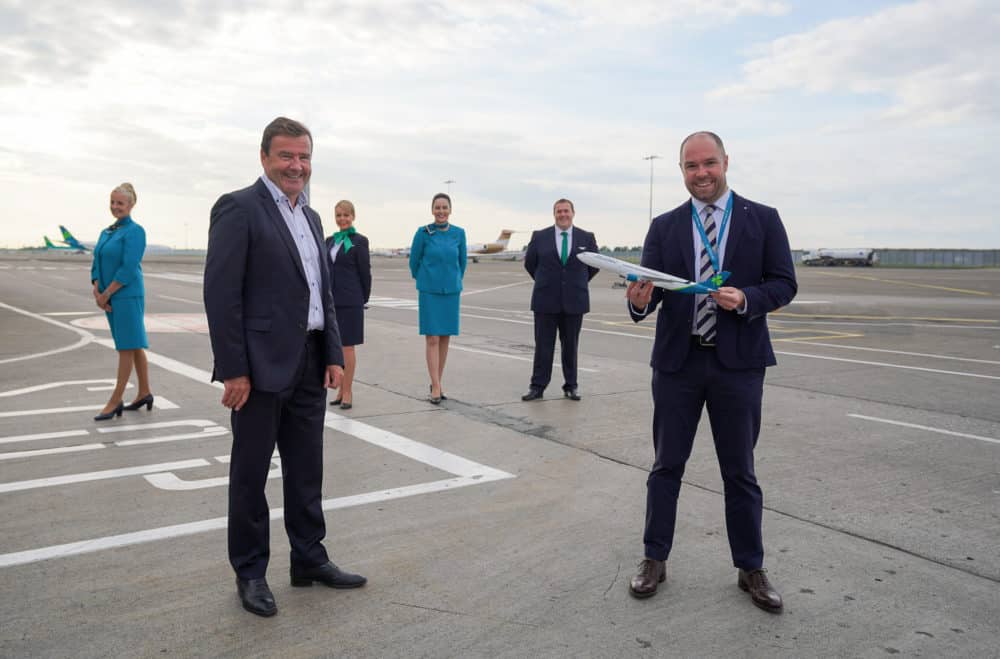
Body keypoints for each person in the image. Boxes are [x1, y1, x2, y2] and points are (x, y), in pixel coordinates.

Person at [625, 132, 797, 612]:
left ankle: (751, 567)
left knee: (740, 471)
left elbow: (784, 283)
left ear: (725, 162)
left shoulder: (763, 219)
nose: (700, 173)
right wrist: (638, 300)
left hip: (738, 365)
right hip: (678, 364)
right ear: (681, 170)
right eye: (691, 166)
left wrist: (746, 299)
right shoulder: (665, 225)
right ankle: (654, 559)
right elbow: (649, 293)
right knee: (666, 466)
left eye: (708, 164)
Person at [203, 117, 366, 618]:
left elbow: (323, 293)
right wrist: (234, 369)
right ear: (264, 157)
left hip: (310, 362)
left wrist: (333, 353)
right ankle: (250, 572)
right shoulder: (239, 208)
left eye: (304, 157)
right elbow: (221, 295)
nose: (296, 166)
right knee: (250, 474)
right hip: (258, 369)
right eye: (286, 156)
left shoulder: (312, 217)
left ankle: (309, 558)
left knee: (306, 469)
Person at [521, 199, 599, 402]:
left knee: (571, 346)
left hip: (575, 300)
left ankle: (571, 386)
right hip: (545, 300)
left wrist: (576, 282)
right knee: (543, 346)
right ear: (554, 214)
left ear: (573, 213)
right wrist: (546, 282)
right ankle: (537, 386)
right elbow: (530, 264)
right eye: (559, 211)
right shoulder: (540, 237)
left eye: (566, 211)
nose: (563, 214)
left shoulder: (586, 237)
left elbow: (594, 265)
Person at [90, 182, 153, 421]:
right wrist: (97, 288)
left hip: (126, 295)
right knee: (133, 344)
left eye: (120, 203)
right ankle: (144, 392)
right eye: (113, 202)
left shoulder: (135, 231)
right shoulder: (107, 232)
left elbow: (128, 268)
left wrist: (106, 294)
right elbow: (96, 262)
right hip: (108, 295)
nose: (115, 206)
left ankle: (116, 399)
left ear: (131, 205)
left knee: (125, 347)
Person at [408, 193, 466, 404]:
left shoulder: (459, 233)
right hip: (429, 291)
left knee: (444, 337)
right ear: (432, 210)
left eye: (444, 207)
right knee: (432, 338)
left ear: (450, 210)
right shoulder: (423, 233)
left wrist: (452, 280)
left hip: (450, 292)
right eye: (437, 207)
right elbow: (414, 262)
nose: (441, 211)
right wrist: (426, 279)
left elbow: (462, 262)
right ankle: (435, 385)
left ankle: (437, 383)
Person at [325, 200, 372, 410]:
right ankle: (340, 388)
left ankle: (348, 391)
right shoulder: (329, 241)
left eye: (346, 215)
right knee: (335, 348)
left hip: (350, 301)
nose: (342, 219)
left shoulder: (359, 241)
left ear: (353, 216)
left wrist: (362, 298)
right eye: (338, 215)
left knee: (347, 348)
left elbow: (365, 273)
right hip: (331, 301)